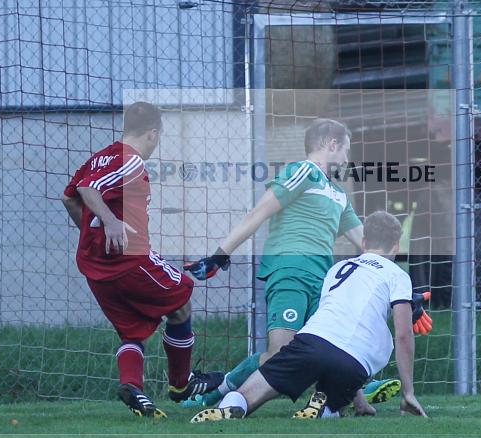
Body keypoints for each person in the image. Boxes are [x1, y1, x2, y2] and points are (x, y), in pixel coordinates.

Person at [184, 119, 394, 413]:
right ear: (331, 145)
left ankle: (358, 401)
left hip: (323, 284)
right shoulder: (302, 172)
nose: (347, 159)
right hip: (290, 271)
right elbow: (259, 212)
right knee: (280, 355)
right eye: (345, 150)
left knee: (331, 346)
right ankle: (217, 389)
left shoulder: (337, 194)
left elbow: (368, 245)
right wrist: (221, 254)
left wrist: (400, 286)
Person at [61, 101, 223, 418]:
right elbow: (88, 188)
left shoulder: (100, 156)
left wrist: (91, 234)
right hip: (130, 260)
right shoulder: (131, 161)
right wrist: (108, 222)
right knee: (183, 297)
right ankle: (182, 384)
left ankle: (133, 387)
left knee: (132, 330)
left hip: (95, 267)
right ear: (152, 133)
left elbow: (69, 196)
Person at [190, 211, 428, 421]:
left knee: (250, 392)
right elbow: (404, 335)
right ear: (396, 247)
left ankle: (233, 405)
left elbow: (333, 327)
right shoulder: (397, 275)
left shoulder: (337, 269)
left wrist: (360, 402)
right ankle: (323, 406)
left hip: (310, 342)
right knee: (333, 399)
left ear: (364, 242)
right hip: (353, 362)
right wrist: (408, 393)